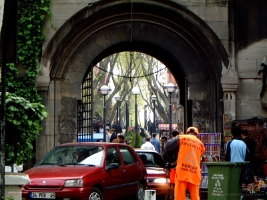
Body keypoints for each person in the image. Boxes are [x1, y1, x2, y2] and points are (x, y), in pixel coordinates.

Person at [164, 127, 205, 200]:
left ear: (187, 132)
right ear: (196, 134)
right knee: (195, 197)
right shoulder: (200, 144)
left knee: (179, 197)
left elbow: (167, 146)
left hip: (182, 173)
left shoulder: (181, 137)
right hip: (194, 174)